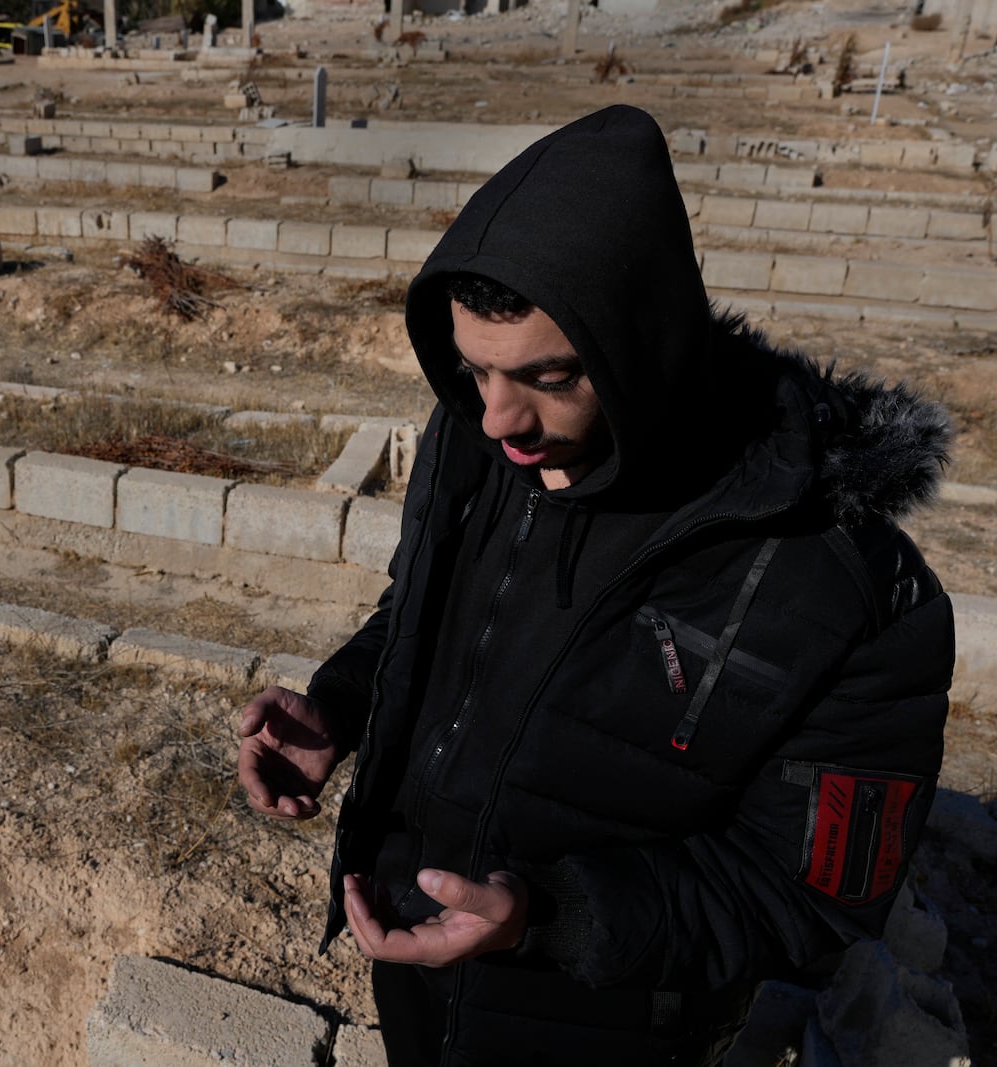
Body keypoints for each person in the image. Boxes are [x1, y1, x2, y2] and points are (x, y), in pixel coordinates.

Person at [237, 105, 955, 1065]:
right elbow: (426, 617)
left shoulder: (847, 586)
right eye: (474, 369)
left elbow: (815, 896)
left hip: (611, 1024)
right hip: (419, 973)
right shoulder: (479, 435)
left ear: (641, 343)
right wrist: (342, 703)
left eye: (548, 376)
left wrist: (552, 918)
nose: (497, 419)